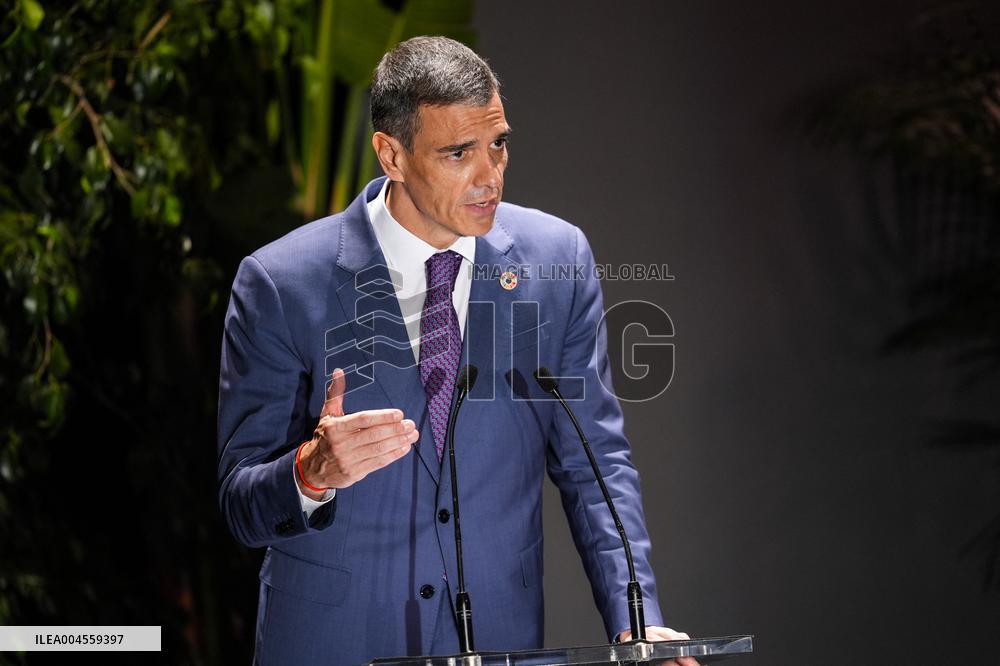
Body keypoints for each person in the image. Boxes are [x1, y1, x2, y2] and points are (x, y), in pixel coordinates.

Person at [217, 35, 694, 665]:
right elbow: (239, 502)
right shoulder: (280, 282)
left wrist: (636, 621)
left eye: (498, 144)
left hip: (497, 641)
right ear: (391, 154)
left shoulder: (559, 261)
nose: (488, 177)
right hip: (334, 644)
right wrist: (311, 472)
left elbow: (595, 465)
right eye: (457, 153)